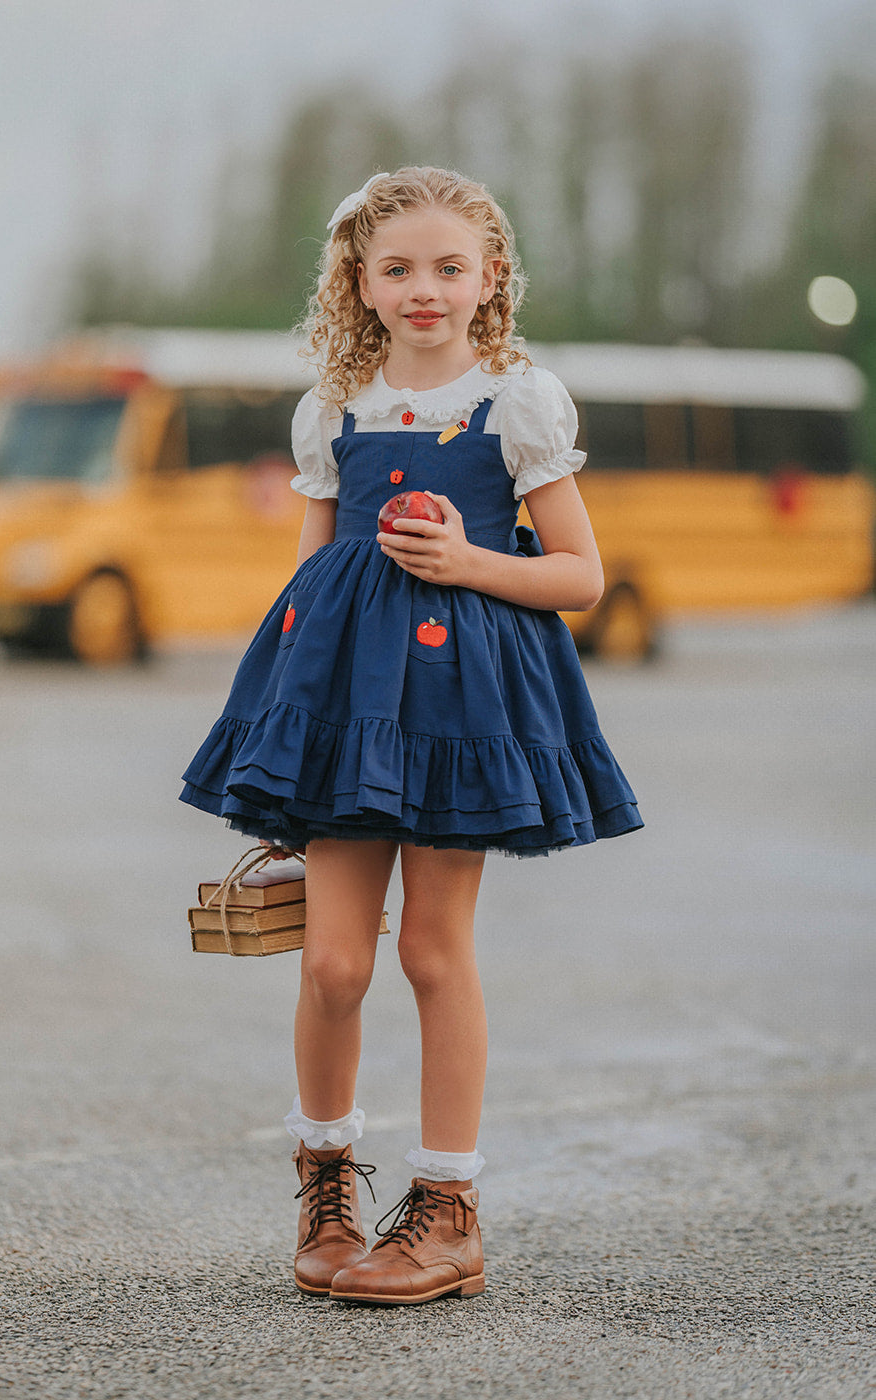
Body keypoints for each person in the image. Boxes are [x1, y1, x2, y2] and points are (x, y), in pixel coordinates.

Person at [180, 166, 642, 1305]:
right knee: (334, 961)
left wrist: (472, 562)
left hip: (458, 705)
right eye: (399, 268)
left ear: (490, 277)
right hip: (347, 709)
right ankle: (327, 1185)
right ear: (362, 283)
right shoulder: (334, 407)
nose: (424, 287)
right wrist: (286, 757)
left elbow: (582, 576)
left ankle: (448, 1210)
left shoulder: (519, 397)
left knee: (434, 951)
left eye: (448, 266)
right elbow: (306, 579)